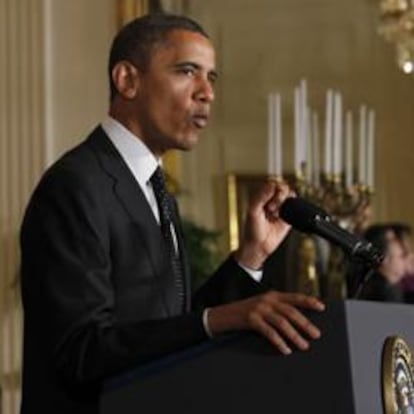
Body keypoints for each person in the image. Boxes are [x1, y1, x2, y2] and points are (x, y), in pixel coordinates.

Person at [19, 14, 325, 414]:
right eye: (187, 72)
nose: (207, 93)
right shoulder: (75, 185)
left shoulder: (157, 191)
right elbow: (82, 350)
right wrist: (219, 319)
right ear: (127, 80)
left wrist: (251, 256)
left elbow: (174, 326)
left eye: (212, 78)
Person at [357, 224, 405, 302]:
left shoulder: (390, 286)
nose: (405, 260)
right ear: (384, 259)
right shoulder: (380, 292)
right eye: (401, 256)